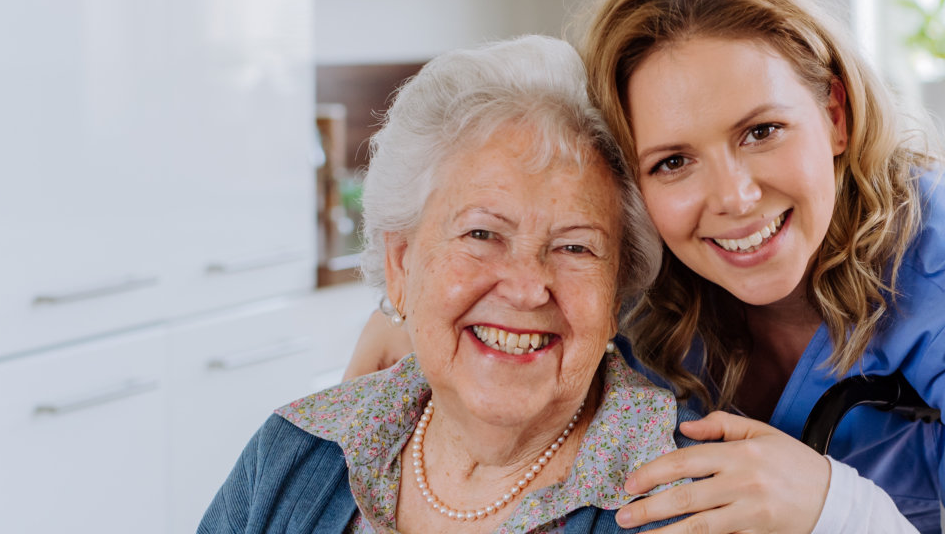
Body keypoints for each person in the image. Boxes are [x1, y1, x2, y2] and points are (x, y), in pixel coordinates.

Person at [349, 0, 945, 534]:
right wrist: (423, 317)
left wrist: (835, 511)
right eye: (674, 160)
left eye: (760, 131)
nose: (734, 200)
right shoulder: (637, 270)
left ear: (832, 115)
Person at [203, 35, 692, 534]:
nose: (526, 289)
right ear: (400, 264)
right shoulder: (294, 451)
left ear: (616, 293)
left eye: (575, 247)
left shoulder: (692, 500)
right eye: (482, 234)